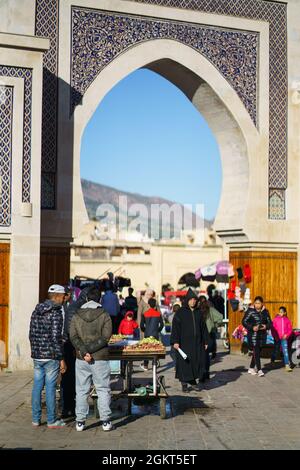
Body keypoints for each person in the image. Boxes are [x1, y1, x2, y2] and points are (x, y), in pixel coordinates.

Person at [70, 287, 113, 432]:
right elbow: (106, 337)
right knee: (102, 389)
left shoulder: (76, 314)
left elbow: (73, 336)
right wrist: (89, 350)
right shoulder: (105, 314)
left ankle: (80, 421)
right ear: (99, 299)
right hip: (99, 357)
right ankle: (105, 421)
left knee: (81, 390)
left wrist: (83, 350)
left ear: (86, 298)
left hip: (82, 358)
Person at [29, 284, 67, 428]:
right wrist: (61, 358)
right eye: (63, 297)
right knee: (51, 387)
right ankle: (51, 420)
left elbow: (31, 334)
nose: (64, 300)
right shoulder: (55, 312)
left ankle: (35, 419)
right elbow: (56, 337)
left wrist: (35, 350)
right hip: (51, 356)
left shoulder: (36, 310)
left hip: (38, 355)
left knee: (37, 386)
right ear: (57, 296)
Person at [170, 289, 209, 392]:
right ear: (187, 300)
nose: (193, 302)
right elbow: (175, 327)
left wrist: (206, 341)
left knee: (196, 362)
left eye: (194, 300)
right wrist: (175, 341)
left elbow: (203, 328)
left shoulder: (198, 313)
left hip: (197, 343)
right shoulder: (180, 312)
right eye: (191, 300)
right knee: (185, 364)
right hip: (184, 343)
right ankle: (184, 384)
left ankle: (192, 382)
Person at [242, 296, 272, 377]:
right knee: (256, 351)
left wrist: (266, 326)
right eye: (256, 303)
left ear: (262, 303)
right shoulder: (250, 311)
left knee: (257, 352)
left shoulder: (266, 312)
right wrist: (252, 327)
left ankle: (251, 368)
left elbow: (270, 323)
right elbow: (244, 322)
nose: (257, 305)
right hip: (253, 335)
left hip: (262, 335)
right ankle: (259, 370)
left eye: (259, 303)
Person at [198, 296, 223, 380]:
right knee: (205, 355)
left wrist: (214, 326)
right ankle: (206, 373)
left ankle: (203, 374)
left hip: (204, 336)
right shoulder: (207, 310)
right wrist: (214, 326)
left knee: (203, 356)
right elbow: (220, 317)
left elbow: (220, 317)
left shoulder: (207, 310)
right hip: (206, 336)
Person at [140, 298, 164, 371]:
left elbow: (141, 325)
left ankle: (146, 365)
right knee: (155, 350)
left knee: (146, 350)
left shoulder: (145, 313)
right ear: (155, 304)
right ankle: (154, 364)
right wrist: (157, 330)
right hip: (155, 334)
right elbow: (162, 325)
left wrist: (145, 330)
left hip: (147, 334)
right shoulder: (158, 314)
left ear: (148, 304)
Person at [271, 306, 293, 372]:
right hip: (277, 338)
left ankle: (287, 365)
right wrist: (275, 336)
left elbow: (290, 330)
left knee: (285, 351)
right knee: (276, 350)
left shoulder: (287, 320)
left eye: (282, 312)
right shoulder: (275, 319)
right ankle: (272, 361)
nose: (280, 313)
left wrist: (287, 335)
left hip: (284, 338)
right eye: (279, 312)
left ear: (285, 313)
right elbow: (273, 329)